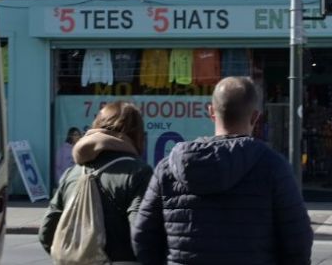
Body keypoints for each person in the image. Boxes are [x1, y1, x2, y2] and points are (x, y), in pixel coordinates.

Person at [132, 76, 312, 264]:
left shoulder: (168, 168)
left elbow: (143, 237)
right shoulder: (273, 167)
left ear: (211, 112)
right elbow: (297, 241)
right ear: (255, 117)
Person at [40, 102, 152, 264]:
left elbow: (46, 231)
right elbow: (142, 234)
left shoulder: (71, 173)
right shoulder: (139, 172)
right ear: (136, 135)